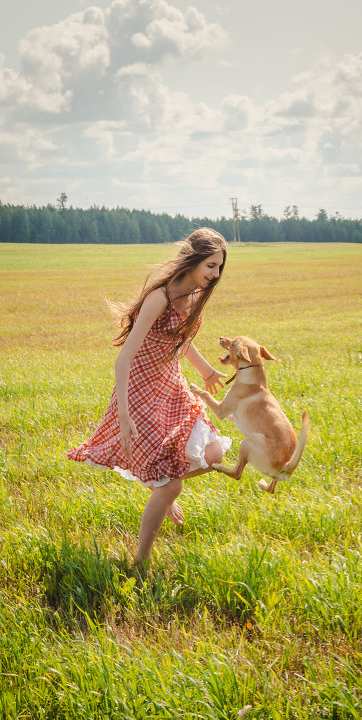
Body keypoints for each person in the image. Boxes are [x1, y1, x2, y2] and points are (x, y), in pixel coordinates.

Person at [68, 228, 231, 569]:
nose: (215, 274)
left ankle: (161, 487)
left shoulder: (191, 297)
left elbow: (180, 340)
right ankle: (141, 561)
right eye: (211, 265)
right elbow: (123, 359)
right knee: (171, 485)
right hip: (140, 389)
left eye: (219, 268)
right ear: (194, 258)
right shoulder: (161, 297)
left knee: (213, 454)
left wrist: (205, 371)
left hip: (170, 384)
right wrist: (124, 416)